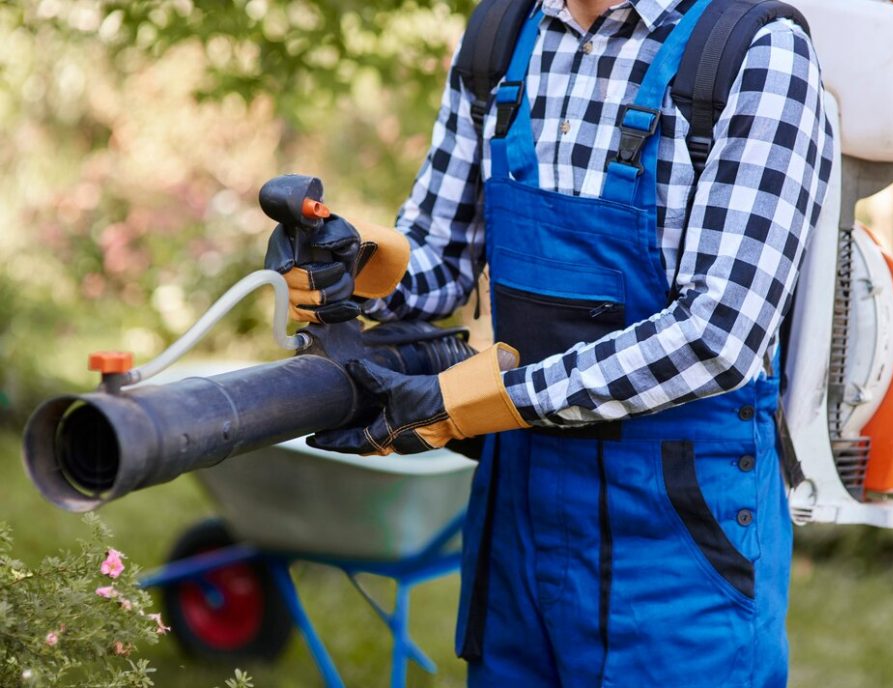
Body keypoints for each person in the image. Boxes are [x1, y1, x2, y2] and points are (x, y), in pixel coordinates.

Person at [265, 0, 833, 684]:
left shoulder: (752, 52)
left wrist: (473, 399)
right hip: (521, 520)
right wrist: (356, 268)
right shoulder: (499, 39)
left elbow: (719, 335)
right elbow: (442, 258)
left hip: (679, 531)